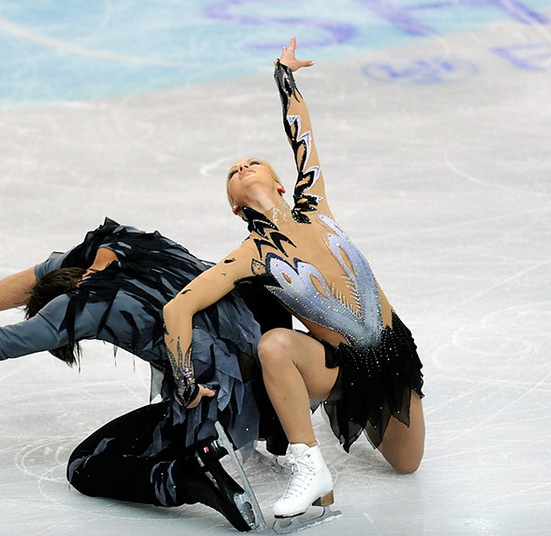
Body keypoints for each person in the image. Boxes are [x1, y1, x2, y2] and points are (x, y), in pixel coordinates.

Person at [0, 218, 276, 531]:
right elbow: (38, 275)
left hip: (218, 397)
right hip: (275, 361)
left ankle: (191, 476)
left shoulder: (78, 308)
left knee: (86, 467)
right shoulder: (121, 241)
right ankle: (280, 430)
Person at [162, 37, 425, 529]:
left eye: (252, 162)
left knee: (408, 465)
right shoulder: (250, 256)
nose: (243, 166)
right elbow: (177, 309)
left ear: (281, 181)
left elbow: (302, 133)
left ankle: (344, 429)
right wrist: (182, 381)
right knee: (275, 344)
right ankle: (310, 468)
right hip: (338, 369)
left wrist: (284, 75)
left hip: (393, 357)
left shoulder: (313, 203)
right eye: (233, 174)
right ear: (234, 206)